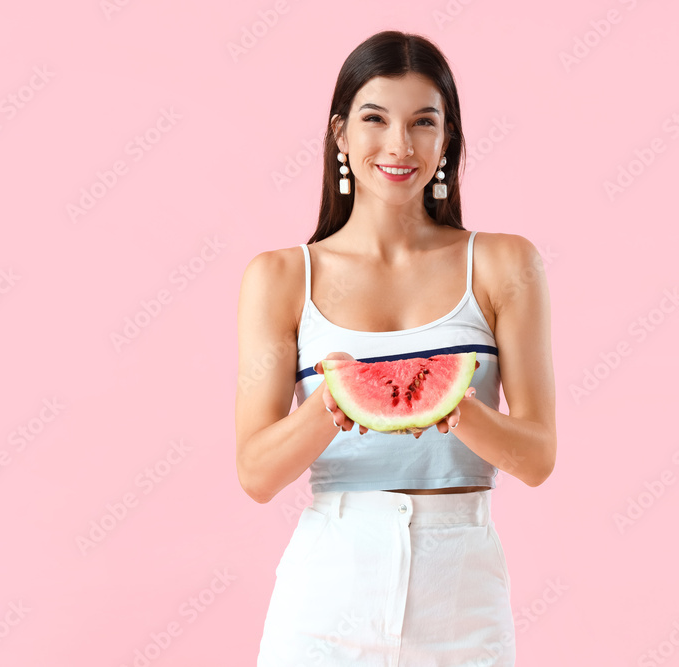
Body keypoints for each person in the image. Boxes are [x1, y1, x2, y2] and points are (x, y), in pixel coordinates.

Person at [236, 30, 557, 666]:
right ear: (340, 135)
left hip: (460, 592)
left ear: (449, 140)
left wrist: (454, 405)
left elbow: (538, 458)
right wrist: (332, 401)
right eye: (375, 118)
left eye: (424, 122)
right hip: (326, 592)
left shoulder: (502, 263)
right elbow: (256, 474)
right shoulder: (278, 278)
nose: (399, 145)